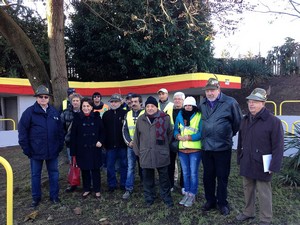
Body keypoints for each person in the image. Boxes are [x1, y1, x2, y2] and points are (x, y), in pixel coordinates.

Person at [236, 88, 284, 225]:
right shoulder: (245, 120)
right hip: (247, 160)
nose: (251, 104)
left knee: (264, 192)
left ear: (263, 103)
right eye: (250, 101)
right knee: (247, 188)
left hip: (263, 163)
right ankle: (248, 212)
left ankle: (265, 218)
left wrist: (274, 165)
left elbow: (278, 146)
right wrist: (240, 157)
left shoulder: (273, 122)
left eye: (255, 102)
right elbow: (241, 141)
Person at [199, 78, 242, 215]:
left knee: (222, 177)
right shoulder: (203, 103)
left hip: (222, 147)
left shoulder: (230, 102)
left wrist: (226, 135)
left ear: (219, 90)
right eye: (207, 91)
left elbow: (237, 123)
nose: (210, 93)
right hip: (206, 147)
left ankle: (222, 203)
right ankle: (210, 200)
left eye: (212, 90)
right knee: (208, 176)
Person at [18, 85, 64, 208]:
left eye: (45, 97)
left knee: (54, 174)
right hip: (35, 151)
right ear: (37, 98)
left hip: (53, 151)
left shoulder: (54, 112)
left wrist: (59, 146)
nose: (43, 99)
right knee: (35, 175)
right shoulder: (29, 112)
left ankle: (54, 197)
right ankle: (36, 198)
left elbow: (60, 131)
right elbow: (22, 132)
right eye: (40, 96)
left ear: (48, 98)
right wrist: (27, 149)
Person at [133, 96, 174, 208]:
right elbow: (136, 137)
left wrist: (164, 147)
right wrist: (138, 152)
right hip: (145, 154)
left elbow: (170, 134)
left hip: (161, 153)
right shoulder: (141, 119)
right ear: (145, 107)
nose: (150, 108)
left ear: (157, 107)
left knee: (164, 178)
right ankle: (149, 198)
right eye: (148, 106)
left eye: (152, 106)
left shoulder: (165, 118)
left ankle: (166, 198)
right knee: (147, 179)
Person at [70, 97, 105, 199]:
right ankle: (86, 189)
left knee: (95, 170)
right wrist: (73, 152)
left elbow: (103, 132)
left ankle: (97, 189)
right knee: (85, 170)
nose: (86, 108)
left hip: (95, 148)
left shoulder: (97, 117)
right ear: (81, 107)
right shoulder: (77, 118)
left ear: (91, 107)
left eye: (88, 106)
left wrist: (100, 141)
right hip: (82, 149)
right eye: (84, 106)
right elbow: (73, 136)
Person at [174, 96, 202, 207]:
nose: (188, 107)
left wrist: (189, 138)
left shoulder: (199, 116)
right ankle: (186, 193)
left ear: (194, 106)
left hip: (195, 149)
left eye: (190, 105)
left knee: (193, 173)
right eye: (186, 105)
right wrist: (177, 135)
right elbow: (176, 129)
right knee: (185, 173)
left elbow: (201, 132)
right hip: (182, 149)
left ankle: (192, 194)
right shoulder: (180, 115)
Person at [102, 93, 128, 192]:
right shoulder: (106, 114)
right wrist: (104, 143)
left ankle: (123, 183)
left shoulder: (125, 113)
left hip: (123, 145)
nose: (113, 103)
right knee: (110, 166)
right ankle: (111, 184)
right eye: (112, 102)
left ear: (120, 102)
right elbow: (103, 130)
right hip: (110, 146)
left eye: (116, 101)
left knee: (124, 165)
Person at [122, 93, 144, 199]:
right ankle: (128, 189)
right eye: (132, 102)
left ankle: (146, 187)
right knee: (130, 168)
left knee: (144, 167)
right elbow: (124, 130)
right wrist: (129, 142)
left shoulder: (146, 113)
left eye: (136, 102)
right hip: (131, 146)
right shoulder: (128, 114)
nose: (133, 104)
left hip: (143, 146)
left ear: (140, 102)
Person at [60, 92, 82, 193]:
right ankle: (72, 184)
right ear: (71, 102)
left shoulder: (84, 111)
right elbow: (61, 128)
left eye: (77, 100)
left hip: (83, 143)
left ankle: (86, 183)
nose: (76, 102)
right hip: (70, 143)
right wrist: (65, 138)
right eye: (74, 101)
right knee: (72, 164)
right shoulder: (65, 113)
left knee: (84, 164)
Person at [169, 92, 185, 193]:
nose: (177, 101)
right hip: (171, 141)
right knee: (170, 164)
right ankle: (171, 184)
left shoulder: (187, 110)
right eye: (175, 99)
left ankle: (183, 185)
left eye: (179, 99)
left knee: (183, 164)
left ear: (183, 100)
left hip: (184, 141)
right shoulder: (169, 110)